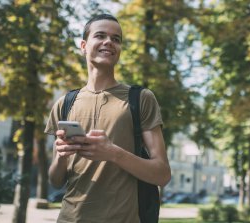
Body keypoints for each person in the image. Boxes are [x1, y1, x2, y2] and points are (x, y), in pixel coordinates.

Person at [44, 13, 171, 223]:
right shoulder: (64, 103)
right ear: (83, 45)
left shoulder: (140, 99)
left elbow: (162, 174)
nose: (109, 42)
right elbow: (56, 181)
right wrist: (61, 156)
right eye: (100, 35)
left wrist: (113, 153)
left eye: (116, 39)